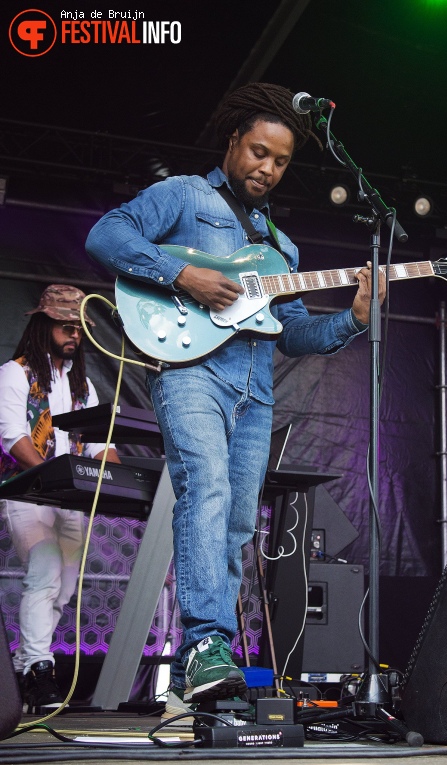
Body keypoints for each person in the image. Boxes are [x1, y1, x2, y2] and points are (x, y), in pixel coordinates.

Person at [85, 82, 385, 716]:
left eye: (279, 162)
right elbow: (108, 235)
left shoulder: (284, 250)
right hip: (191, 373)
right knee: (208, 489)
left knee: (239, 521)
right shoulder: (185, 196)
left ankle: (207, 674)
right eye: (258, 152)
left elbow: (296, 332)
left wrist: (355, 317)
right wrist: (183, 274)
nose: (267, 169)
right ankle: (206, 646)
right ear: (232, 142)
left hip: (255, 391)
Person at [0, 284, 121, 712]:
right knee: (46, 571)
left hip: (70, 499)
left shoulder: (82, 385)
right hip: (29, 494)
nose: (74, 334)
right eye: (65, 325)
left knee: (63, 589)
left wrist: (116, 462)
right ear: (42, 324)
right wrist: (50, 479)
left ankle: (26, 668)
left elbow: (94, 447)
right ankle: (39, 667)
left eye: (79, 327)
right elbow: (12, 436)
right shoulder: (15, 373)